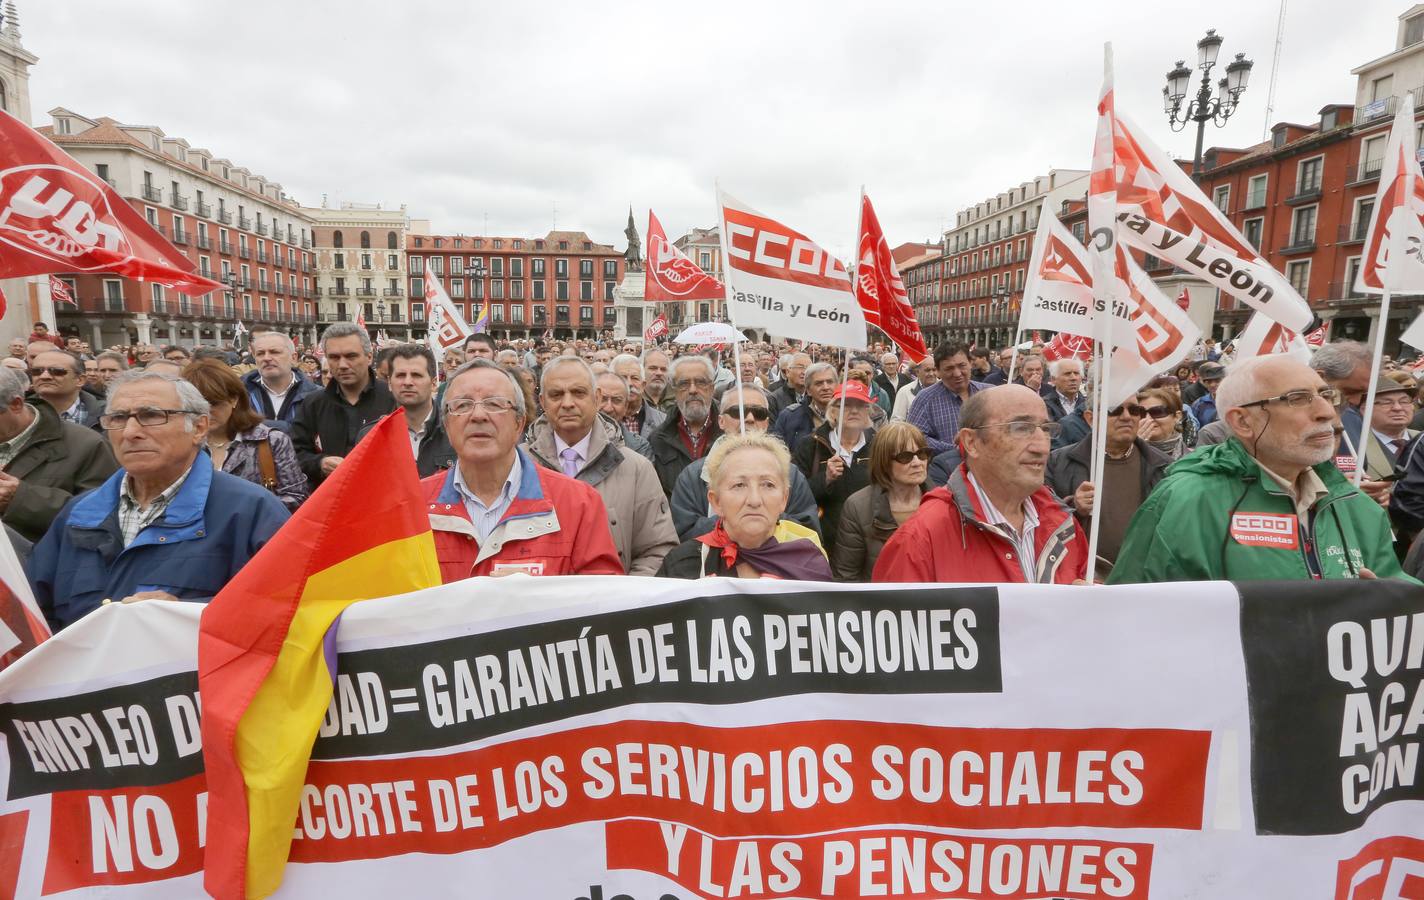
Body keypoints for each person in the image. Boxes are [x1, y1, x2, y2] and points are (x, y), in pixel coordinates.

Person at [1108, 355, 1410, 583]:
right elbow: (1137, 617)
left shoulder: (1356, 506)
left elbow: (1402, 599)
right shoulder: (1188, 502)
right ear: (1242, 421)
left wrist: (1386, 602)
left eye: (1326, 395)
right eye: (1297, 399)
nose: (1326, 412)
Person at [29, 371, 290, 629]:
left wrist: (186, 614)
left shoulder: (251, 510)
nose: (130, 432)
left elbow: (286, 612)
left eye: (151, 415)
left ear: (199, 428)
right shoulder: (78, 514)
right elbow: (34, 614)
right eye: (118, 418)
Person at [421, 359, 622, 580]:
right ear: (447, 426)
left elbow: (602, 595)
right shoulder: (413, 505)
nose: (478, 415)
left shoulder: (579, 503)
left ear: (519, 423)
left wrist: (536, 597)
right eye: (462, 405)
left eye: (494, 404)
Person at [874, 385, 1089, 584]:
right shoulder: (921, 538)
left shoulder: (1063, 523)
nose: (1041, 447)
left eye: (1046, 429)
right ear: (971, 442)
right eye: (1021, 428)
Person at [524, 357, 677, 576]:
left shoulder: (636, 469)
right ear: (542, 401)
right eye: (556, 394)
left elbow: (657, 549)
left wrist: (622, 595)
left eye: (578, 393)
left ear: (596, 398)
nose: (567, 403)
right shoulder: (517, 465)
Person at [656, 432, 832, 580]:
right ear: (716, 501)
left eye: (768, 485)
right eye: (739, 485)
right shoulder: (684, 567)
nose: (754, 500)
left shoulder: (808, 566)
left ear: (784, 499)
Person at [671, 384, 822, 541]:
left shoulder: (790, 474)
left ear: (766, 423)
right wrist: (733, 520)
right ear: (721, 421)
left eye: (759, 413)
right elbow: (683, 533)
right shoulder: (692, 476)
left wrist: (764, 518)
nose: (749, 418)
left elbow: (808, 532)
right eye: (738, 412)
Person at [1046, 395, 1172, 575]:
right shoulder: (1058, 462)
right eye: (1114, 410)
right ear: (1090, 418)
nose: (1127, 417)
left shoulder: (1163, 465)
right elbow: (1042, 520)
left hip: (1143, 578)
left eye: (1134, 410)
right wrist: (1074, 506)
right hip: (1082, 578)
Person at [0, 367, 117, 542]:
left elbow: (101, 517)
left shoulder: (87, 445)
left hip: (38, 556)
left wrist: (20, 498)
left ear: (16, 404)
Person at [181, 360, 308, 512]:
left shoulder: (271, 440)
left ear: (234, 399)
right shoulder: (182, 443)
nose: (206, 412)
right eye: (196, 406)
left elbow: (296, 497)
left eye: (213, 403)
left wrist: (243, 513)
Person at [291, 323, 397, 489]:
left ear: (369, 357)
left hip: (384, 496)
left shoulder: (394, 399)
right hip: (331, 497)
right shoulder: (313, 404)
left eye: (351, 356)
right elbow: (295, 452)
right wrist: (319, 463)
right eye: (334, 357)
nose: (342, 365)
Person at [832, 421, 932, 582]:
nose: (917, 463)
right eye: (905, 457)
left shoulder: (944, 503)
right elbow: (846, 577)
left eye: (922, 454)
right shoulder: (857, 507)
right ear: (884, 462)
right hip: (878, 597)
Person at [793, 381, 876, 554]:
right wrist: (825, 479)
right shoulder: (810, 445)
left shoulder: (879, 445)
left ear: (868, 412)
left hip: (869, 540)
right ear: (832, 411)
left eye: (861, 405)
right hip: (824, 542)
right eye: (846, 405)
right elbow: (795, 495)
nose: (854, 411)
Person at [371, 344, 454, 477]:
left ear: (433, 384)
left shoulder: (456, 431)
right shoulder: (371, 435)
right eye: (400, 375)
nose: (408, 382)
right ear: (389, 383)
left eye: (416, 375)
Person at [649, 355, 723, 497]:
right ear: (674, 391)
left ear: (712, 388)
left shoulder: (730, 433)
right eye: (684, 384)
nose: (693, 390)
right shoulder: (658, 439)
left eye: (701, 382)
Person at [907, 343, 990, 453]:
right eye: (949, 368)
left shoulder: (989, 393)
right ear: (938, 371)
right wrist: (955, 449)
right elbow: (914, 437)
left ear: (970, 363)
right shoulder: (925, 399)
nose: (957, 373)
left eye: (962, 366)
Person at [243, 330, 321, 430]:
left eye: (274, 352)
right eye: (260, 353)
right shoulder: (238, 395)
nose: (266, 358)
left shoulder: (317, 396)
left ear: (293, 358)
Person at [772, 361, 837, 454]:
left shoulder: (849, 416)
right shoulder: (789, 417)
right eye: (819, 383)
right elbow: (778, 453)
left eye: (830, 382)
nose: (825, 387)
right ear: (808, 390)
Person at [30, 350, 103, 430]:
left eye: (57, 371)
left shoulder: (105, 414)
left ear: (80, 380)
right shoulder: (21, 414)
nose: (44, 376)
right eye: (36, 371)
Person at [1361, 378, 1417, 481]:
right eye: (1386, 403)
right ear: (1365, 410)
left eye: (1404, 401)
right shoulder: (1355, 445)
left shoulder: (1420, 438)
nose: (1398, 408)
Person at [612, 353, 666, 436]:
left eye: (635, 378)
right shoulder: (600, 419)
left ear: (643, 385)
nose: (629, 383)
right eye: (623, 378)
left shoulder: (663, 421)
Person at [1137, 387, 1190, 460]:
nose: (1147, 419)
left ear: (1177, 416)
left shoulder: (1194, 456)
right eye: (1141, 413)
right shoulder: (1128, 452)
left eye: (1157, 412)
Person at [891, 357, 936, 422]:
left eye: (934, 370)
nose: (931, 374)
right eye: (927, 370)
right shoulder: (904, 392)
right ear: (917, 372)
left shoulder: (945, 388)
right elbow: (896, 422)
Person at [1045, 359, 1086, 425]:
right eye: (1067, 374)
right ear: (1053, 379)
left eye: (1076, 373)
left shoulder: (1087, 404)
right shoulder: (1045, 404)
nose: (1073, 378)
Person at [1188, 362, 1226, 426]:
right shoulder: (1199, 404)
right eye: (1209, 382)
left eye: (1217, 381)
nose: (1212, 385)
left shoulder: (1236, 401)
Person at [640, 348, 675, 414]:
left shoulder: (679, 400)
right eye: (653, 368)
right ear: (642, 370)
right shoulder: (634, 400)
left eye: (663, 369)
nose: (659, 373)